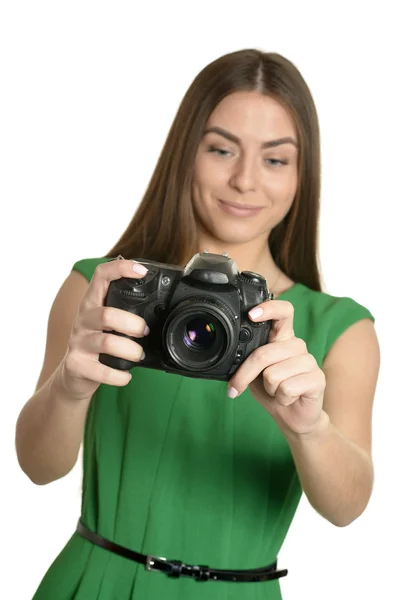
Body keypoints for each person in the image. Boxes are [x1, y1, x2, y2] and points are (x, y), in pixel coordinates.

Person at [15, 48, 380, 600]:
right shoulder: (104, 288)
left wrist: (309, 428)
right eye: (220, 149)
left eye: (275, 160)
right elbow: (38, 467)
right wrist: (69, 386)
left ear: (304, 175)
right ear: (186, 152)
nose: (244, 180)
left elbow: (347, 508)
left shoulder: (339, 329)